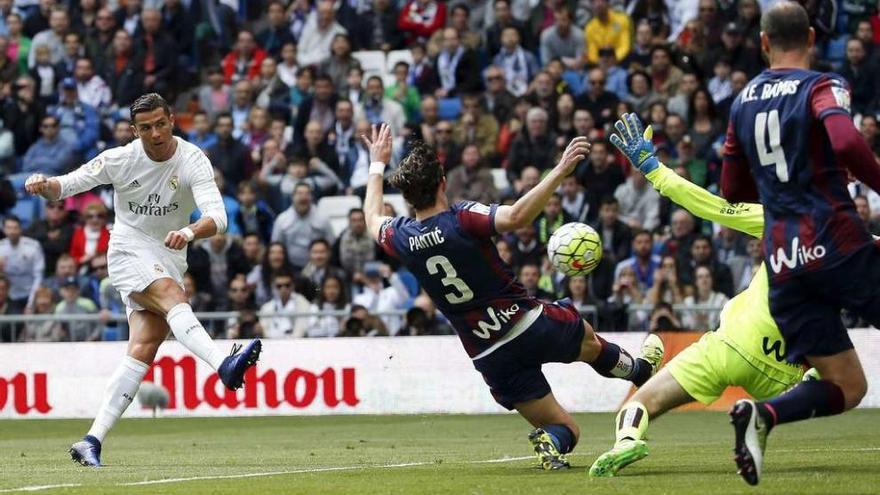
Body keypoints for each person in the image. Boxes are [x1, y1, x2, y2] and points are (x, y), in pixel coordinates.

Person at [362, 123, 663, 470]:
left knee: (566, 429)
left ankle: (551, 440)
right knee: (586, 339)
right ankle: (638, 371)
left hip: (489, 354)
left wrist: (376, 164)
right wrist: (561, 170)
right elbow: (517, 216)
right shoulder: (460, 219)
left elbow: (372, 217)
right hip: (526, 324)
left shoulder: (400, 237)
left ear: (408, 198)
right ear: (443, 181)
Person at [24, 93, 261, 468]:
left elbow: (219, 217)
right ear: (135, 131)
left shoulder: (192, 159)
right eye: (145, 128)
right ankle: (223, 364)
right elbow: (66, 186)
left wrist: (189, 231)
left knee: (144, 348)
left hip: (170, 251)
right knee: (171, 296)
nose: (154, 134)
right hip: (128, 249)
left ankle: (91, 440)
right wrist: (42, 183)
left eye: (160, 124)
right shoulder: (119, 159)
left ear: (171, 120)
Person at [588, 111, 807, 480]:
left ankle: (626, 441)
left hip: (733, 344)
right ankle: (764, 417)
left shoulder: (779, 219)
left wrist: (652, 168)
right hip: (788, 371)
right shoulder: (856, 247)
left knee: (640, 402)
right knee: (840, 380)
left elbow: (707, 205)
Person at [719, 3, 880, 484]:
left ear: (763, 42)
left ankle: (764, 416)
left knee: (847, 386)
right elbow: (849, 144)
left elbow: (731, 190)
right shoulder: (822, 86)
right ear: (811, 37)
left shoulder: (742, 100)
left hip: (784, 262)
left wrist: (781, 188)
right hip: (835, 241)